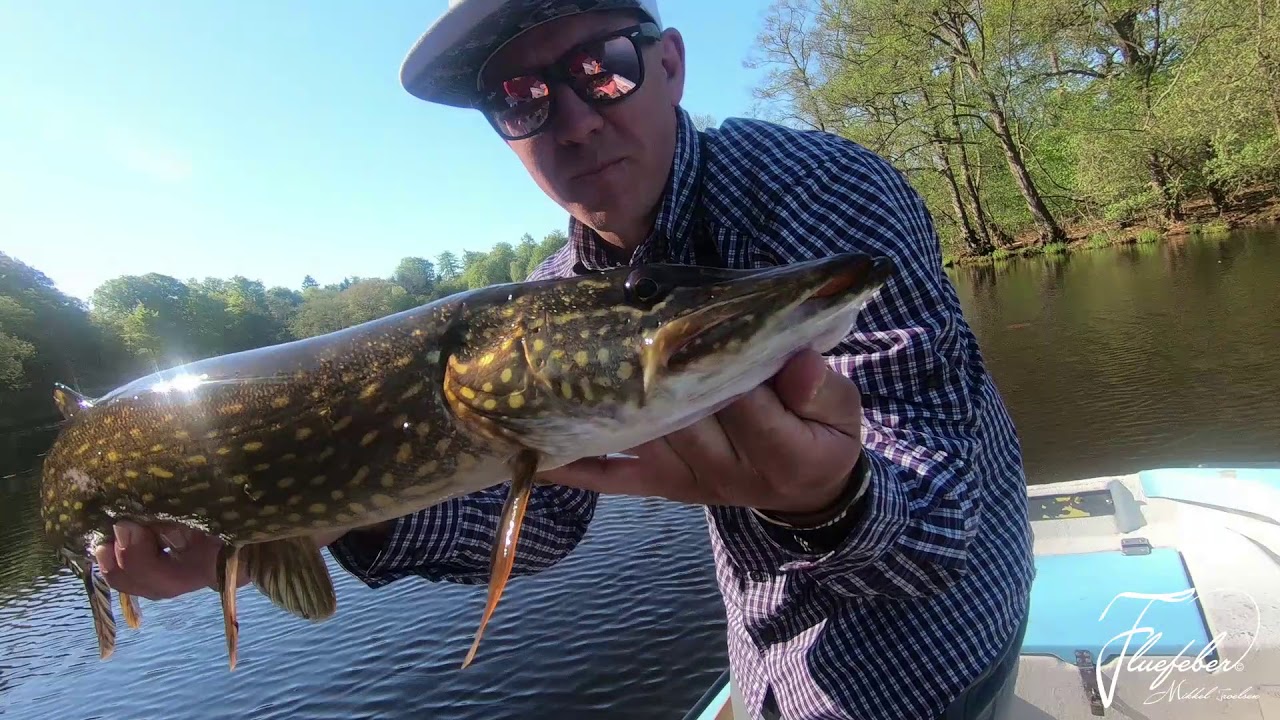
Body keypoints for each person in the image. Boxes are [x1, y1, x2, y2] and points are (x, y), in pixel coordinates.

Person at [95, 1, 1036, 718]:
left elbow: (942, 525)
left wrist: (834, 499)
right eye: (522, 98)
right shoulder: (547, 300)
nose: (575, 120)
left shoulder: (818, 192)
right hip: (772, 667)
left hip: (938, 661)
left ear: (668, 64)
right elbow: (545, 523)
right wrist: (314, 515)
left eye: (605, 69)